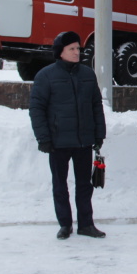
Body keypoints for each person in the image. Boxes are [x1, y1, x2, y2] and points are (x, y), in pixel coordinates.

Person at [29, 31, 107, 240]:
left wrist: (99, 133)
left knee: (84, 185)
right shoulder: (46, 76)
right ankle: (65, 224)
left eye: (78, 48)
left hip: (83, 141)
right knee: (60, 185)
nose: (76, 52)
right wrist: (43, 138)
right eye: (71, 49)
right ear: (60, 52)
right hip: (58, 142)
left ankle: (86, 224)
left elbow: (96, 105)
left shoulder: (87, 74)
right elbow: (36, 109)